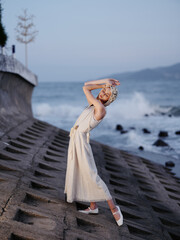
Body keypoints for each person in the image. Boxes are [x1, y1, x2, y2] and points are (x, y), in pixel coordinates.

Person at [64, 78, 123, 226]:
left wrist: (105, 85)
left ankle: (114, 208)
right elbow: (86, 85)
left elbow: (86, 89)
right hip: (76, 140)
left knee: (92, 175)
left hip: (82, 143)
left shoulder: (101, 109)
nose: (103, 93)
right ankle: (93, 206)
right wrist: (105, 81)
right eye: (103, 91)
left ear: (109, 100)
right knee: (84, 173)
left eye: (106, 94)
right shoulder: (93, 105)